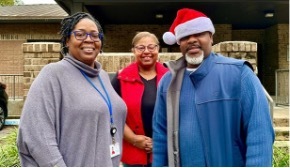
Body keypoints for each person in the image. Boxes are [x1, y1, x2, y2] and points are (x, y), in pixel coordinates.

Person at [152, 8, 274, 167]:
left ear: (211, 37)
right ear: (179, 42)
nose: (192, 40)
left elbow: (260, 134)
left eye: (199, 34)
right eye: (185, 36)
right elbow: (161, 135)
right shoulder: (168, 81)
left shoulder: (240, 74)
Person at [17, 12, 127, 167]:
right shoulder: (53, 74)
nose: (89, 39)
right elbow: (37, 136)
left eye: (95, 35)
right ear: (67, 40)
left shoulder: (102, 76)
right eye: (80, 34)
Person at [111, 31, 168, 166]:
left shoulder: (170, 78)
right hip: (133, 151)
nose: (146, 51)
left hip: (164, 151)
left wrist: (161, 141)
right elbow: (112, 113)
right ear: (133, 51)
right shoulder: (121, 79)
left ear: (158, 49)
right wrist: (134, 139)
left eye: (151, 47)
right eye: (141, 48)